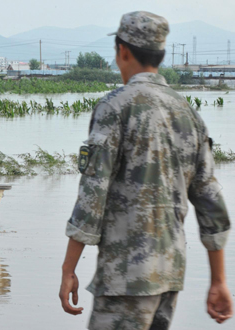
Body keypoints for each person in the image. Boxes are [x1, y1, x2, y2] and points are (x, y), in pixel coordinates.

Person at [59, 12, 232, 329]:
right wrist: (219, 280)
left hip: (125, 276)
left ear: (122, 51)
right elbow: (211, 201)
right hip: (169, 275)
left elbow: (92, 195)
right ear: (161, 54)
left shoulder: (115, 107)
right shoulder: (187, 114)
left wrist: (68, 268)